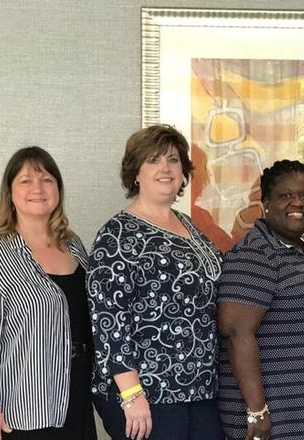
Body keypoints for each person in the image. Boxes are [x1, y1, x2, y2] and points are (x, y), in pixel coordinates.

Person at [86, 124, 224, 440]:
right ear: (136, 173)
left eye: (173, 160)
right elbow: (109, 321)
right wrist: (132, 395)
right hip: (149, 395)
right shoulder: (117, 235)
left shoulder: (189, 226)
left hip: (199, 390)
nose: (165, 168)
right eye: (153, 160)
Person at [0, 146, 97, 440]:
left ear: (58, 189)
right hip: (19, 410)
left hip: (75, 398)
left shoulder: (74, 246)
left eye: (46, 179)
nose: (38, 189)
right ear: (10, 193)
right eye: (26, 181)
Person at [217, 160, 304, 440]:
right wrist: (257, 412)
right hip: (276, 423)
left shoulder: (299, 250)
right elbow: (236, 333)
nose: (297, 203)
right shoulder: (255, 254)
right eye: (285, 196)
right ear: (265, 203)